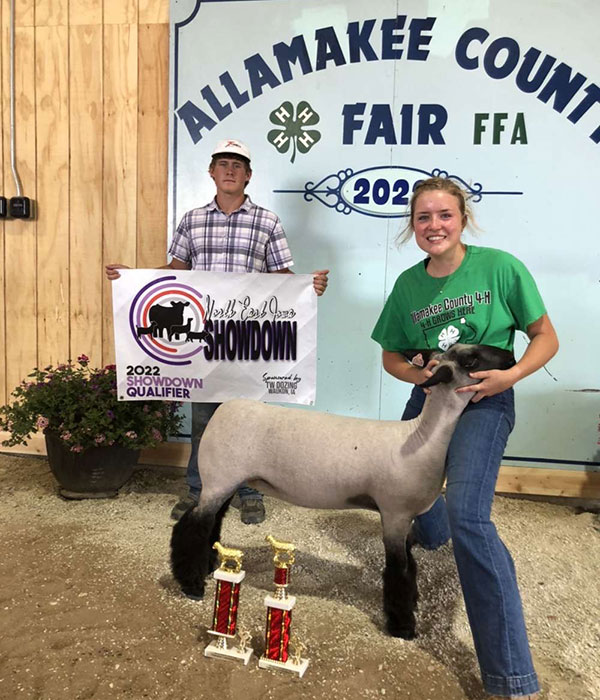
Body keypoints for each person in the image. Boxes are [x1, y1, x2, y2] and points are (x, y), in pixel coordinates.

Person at [371, 177, 558, 699]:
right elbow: (391, 354)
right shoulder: (409, 284)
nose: (434, 226)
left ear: (463, 219)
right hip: (433, 399)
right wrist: (420, 378)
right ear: (413, 224)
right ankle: (431, 535)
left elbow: (546, 336)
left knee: (469, 516)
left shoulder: (500, 267)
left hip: (486, 398)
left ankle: (512, 678)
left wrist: (510, 377)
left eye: (444, 215)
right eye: (424, 217)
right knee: (403, 487)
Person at [106, 138, 329, 525]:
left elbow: (281, 276)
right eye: (223, 163)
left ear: (248, 175)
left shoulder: (267, 221)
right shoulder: (192, 219)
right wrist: (132, 277)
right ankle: (198, 489)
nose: (230, 170)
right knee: (204, 419)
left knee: (251, 417)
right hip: (205, 337)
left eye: (237, 165)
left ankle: (248, 490)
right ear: (211, 172)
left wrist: (307, 287)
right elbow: (175, 269)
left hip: (247, 337)